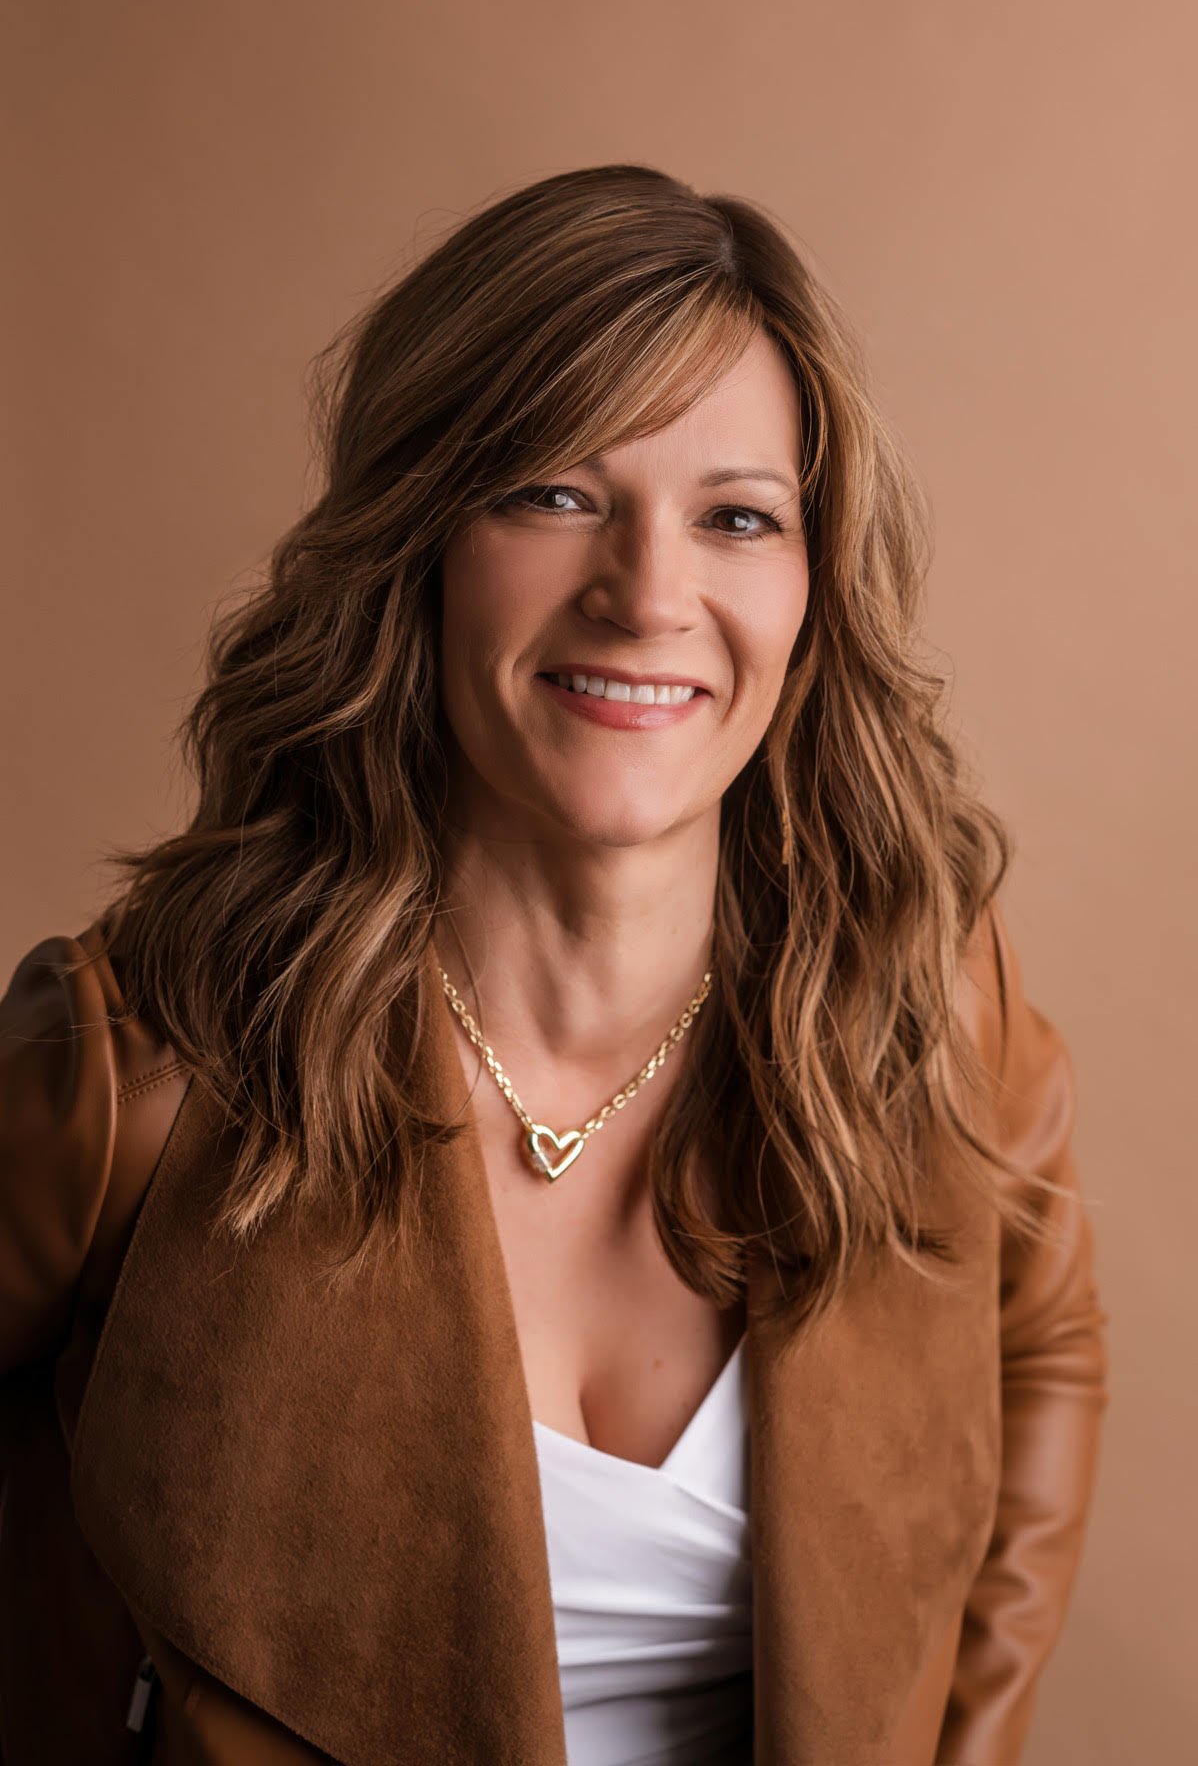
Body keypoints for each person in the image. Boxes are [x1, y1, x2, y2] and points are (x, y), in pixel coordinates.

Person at [0, 163, 1109, 1766]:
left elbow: (1037, 1343)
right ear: (420, 542)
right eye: (553, 492)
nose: (649, 595)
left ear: (809, 586)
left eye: (736, 516)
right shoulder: (142, 1069)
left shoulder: (920, 1003)